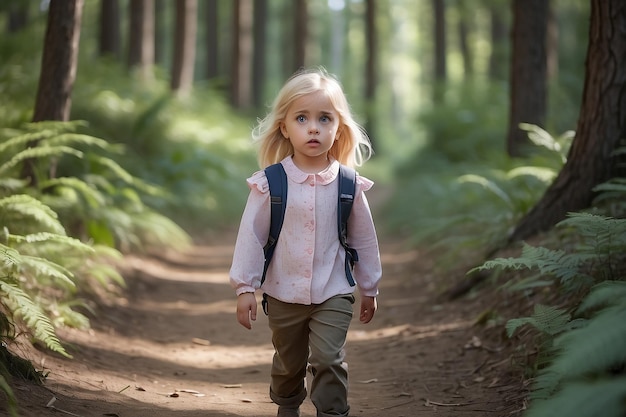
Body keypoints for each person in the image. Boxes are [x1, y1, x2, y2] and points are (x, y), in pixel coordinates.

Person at [229, 67, 382, 417]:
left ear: (338, 128)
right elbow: (250, 237)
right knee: (288, 362)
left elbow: (364, 239)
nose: (313, 127)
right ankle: (287, 406)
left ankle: (332, 411)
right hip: (283, 293)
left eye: (324, 118)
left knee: (329, 358)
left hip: (334, 289)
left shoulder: (348, 184)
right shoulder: (271, 183)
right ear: (285, 127)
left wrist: (370, 287)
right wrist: (244, 288)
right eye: (302, 118)